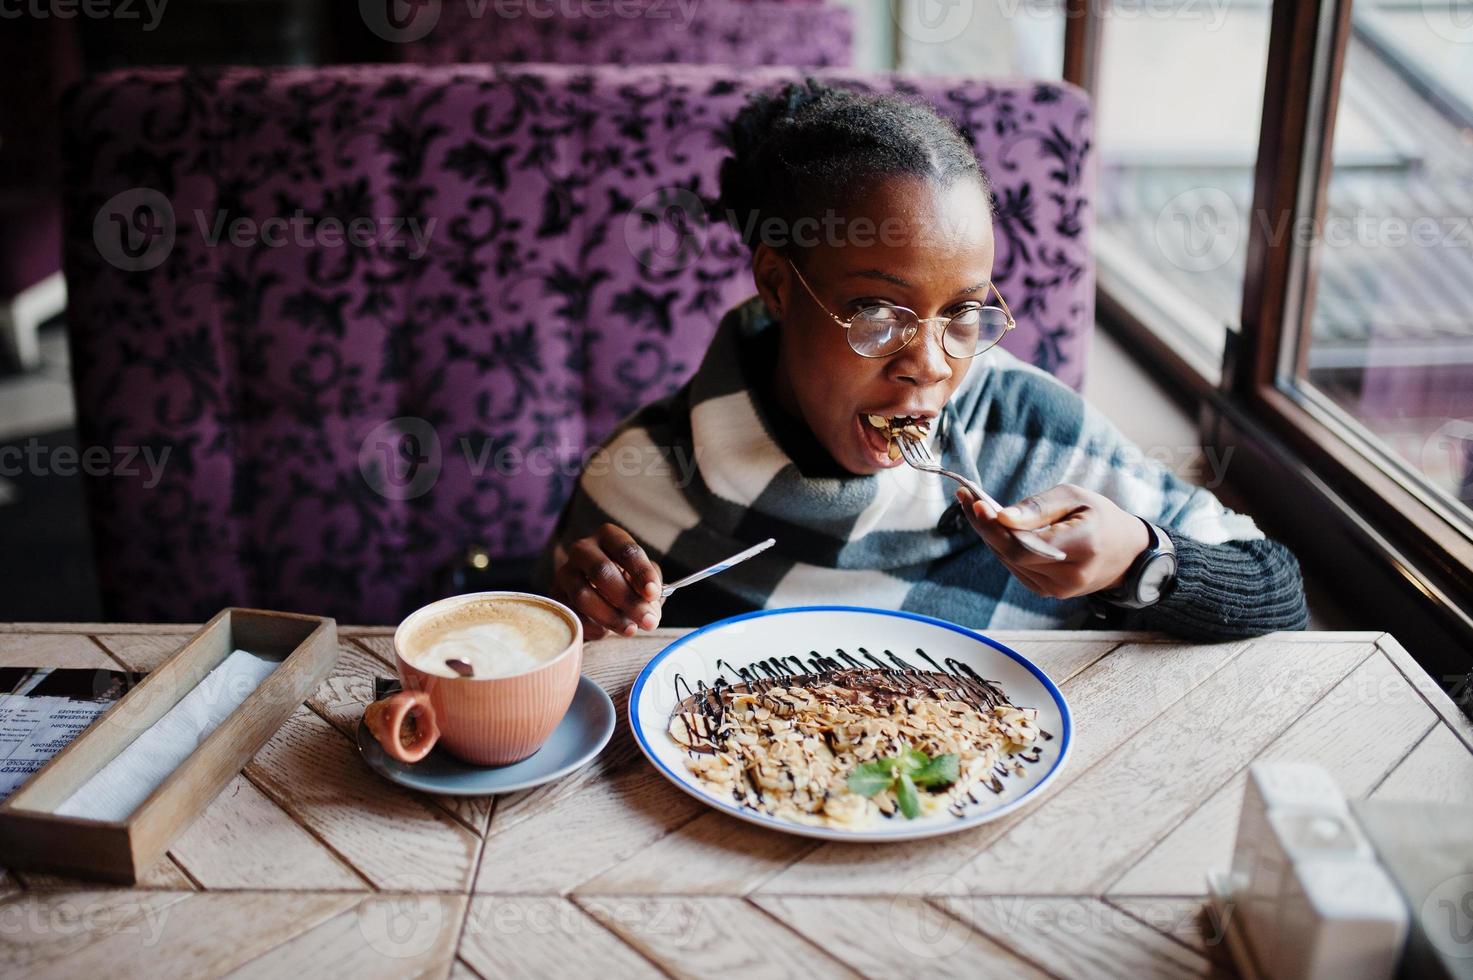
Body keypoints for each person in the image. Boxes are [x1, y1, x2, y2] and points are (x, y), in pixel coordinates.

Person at [531, 79, 1308, 642]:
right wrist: (585, 612)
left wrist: (1137, 562)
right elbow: (545, 650)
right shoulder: (647, 478)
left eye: (962, 314)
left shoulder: (1029, 436)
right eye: (876, 313)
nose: (930, 365)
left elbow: (1278, 591)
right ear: (776, 285)